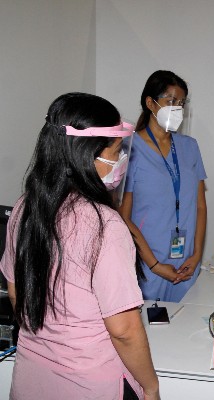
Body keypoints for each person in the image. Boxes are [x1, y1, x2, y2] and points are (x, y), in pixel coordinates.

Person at [0, 93, 160, 399]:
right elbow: (124, 330)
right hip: (90, 384)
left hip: (32, 380)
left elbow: (16, 292)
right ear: (88, 155)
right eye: (115, 152)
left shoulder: (24, 209)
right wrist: (150, 387)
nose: (120, 160)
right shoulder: (105, 226)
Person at [119, 70, 207, 303]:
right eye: (170, 101)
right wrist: (155, 265)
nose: (177, 108)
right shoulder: (129, 149)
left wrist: (197, 254)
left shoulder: (190, 147)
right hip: (148, 266)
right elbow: (123, 217)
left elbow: (199, 207)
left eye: (181, 103)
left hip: (186, 265)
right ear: (150, 103)